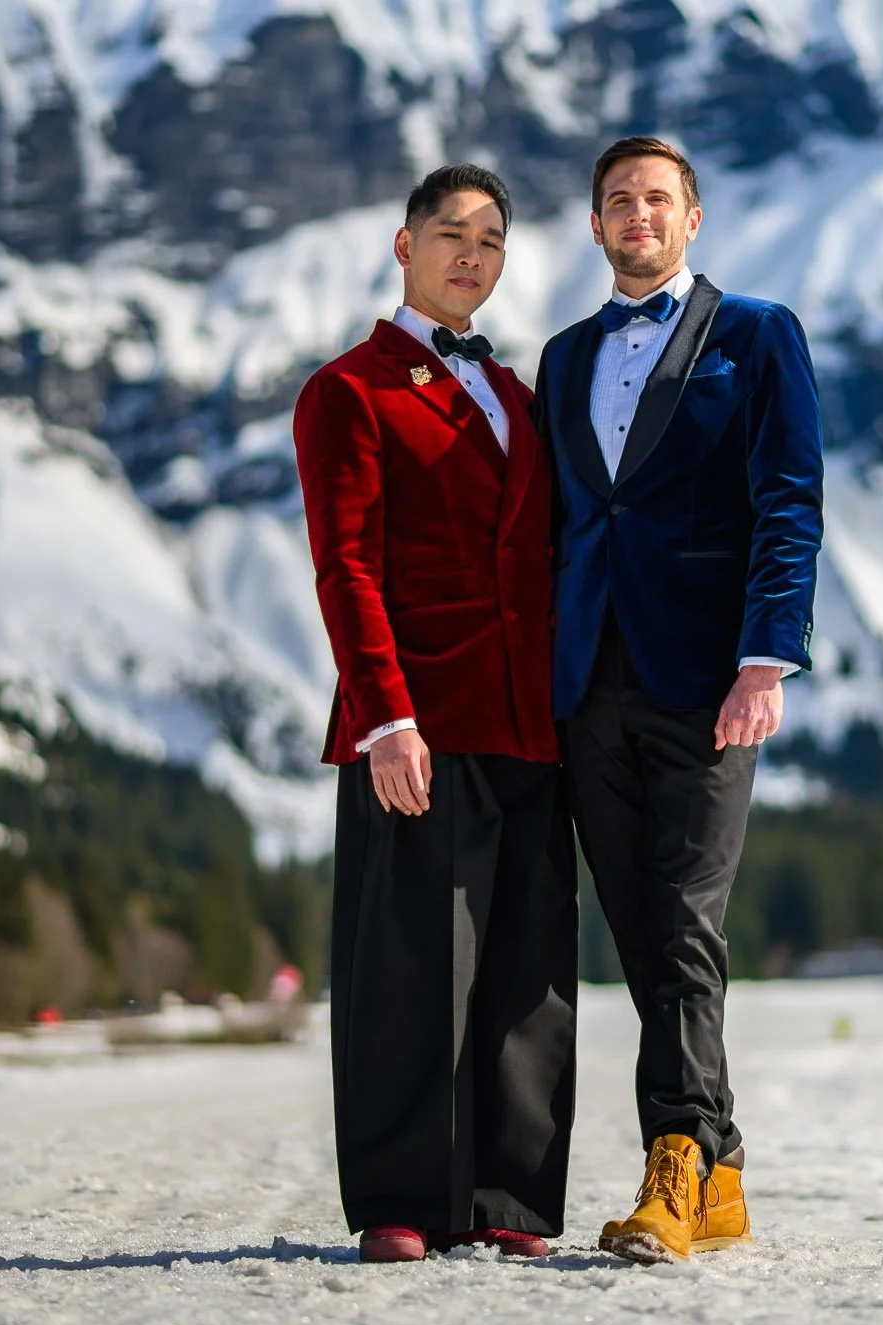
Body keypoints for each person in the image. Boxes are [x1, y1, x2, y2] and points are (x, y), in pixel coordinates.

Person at [533, 137, 824, 1264]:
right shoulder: (561, 359)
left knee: (684, 927)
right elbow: (557, 528)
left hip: (706, 682)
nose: (636, 214)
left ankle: (673, 1161)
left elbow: (788, 497)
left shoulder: (754, 335)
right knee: (644, 936)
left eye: (657, 198)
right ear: (597, 224)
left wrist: (765, 655)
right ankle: (724, 1173)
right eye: (618, 200)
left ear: (691, 218)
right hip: (585, 684)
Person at [293, 163, 576, 1264]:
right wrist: (382, 718)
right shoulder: (349, 390)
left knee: (525, 970)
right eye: (450, 232)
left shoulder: (516, 398)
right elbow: (343, 568)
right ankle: (403, 1200)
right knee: (409, 969)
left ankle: (504, 1201)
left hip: (524, 720)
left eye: (491, 239)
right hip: (414, 722)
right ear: (402, 245)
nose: (471, 253)